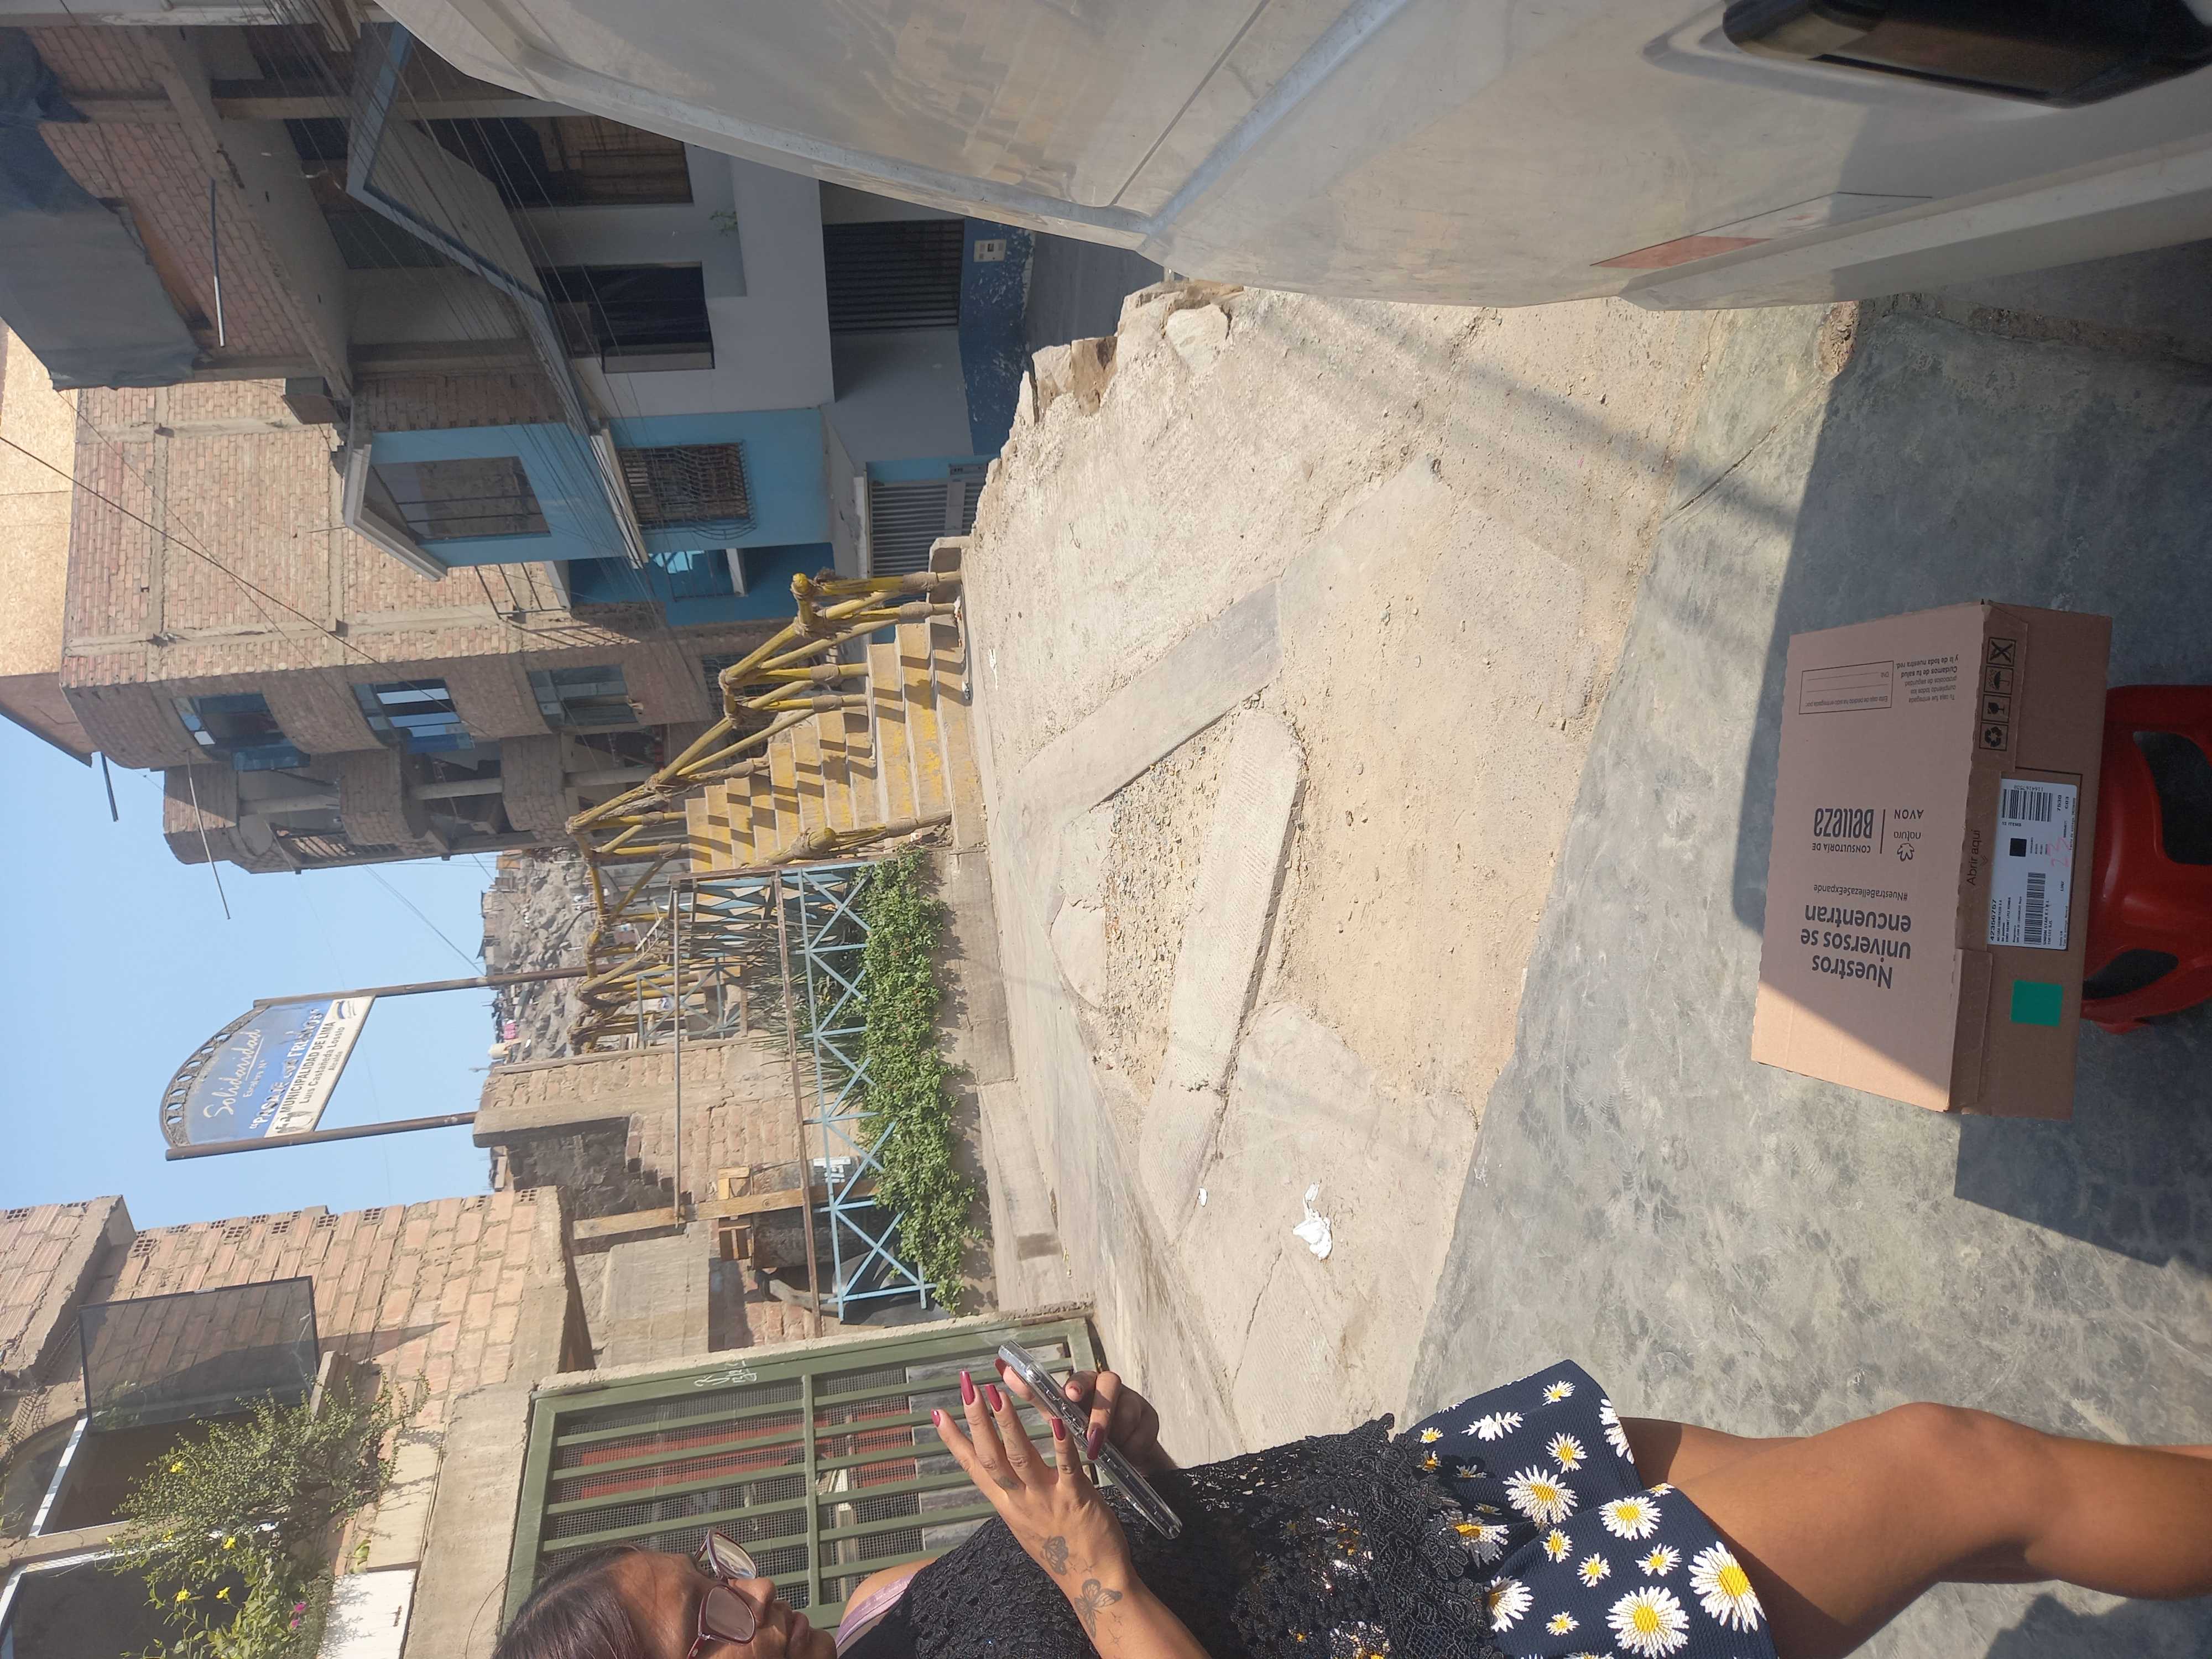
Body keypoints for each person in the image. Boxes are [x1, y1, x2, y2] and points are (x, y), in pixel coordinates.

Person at [493, 1359, 2212, 1659]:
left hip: (1415, 1515)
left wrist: (1132, 1466)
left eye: (713, 1569)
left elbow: (1169, 1567)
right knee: (1952, 1470)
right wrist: (1085, 1569)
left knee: (1930, 1480)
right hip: (1503, 1640)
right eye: (706, 1626)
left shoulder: (879, 1610)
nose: (755, 1597)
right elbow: (1107, 1608)